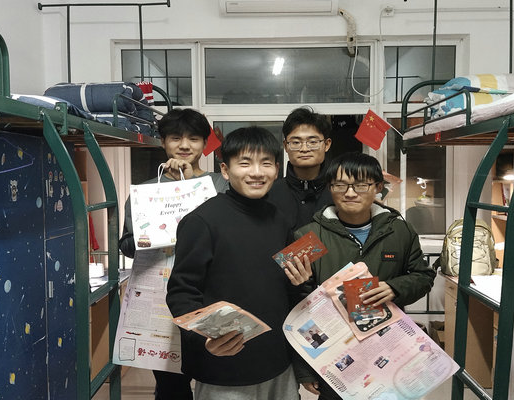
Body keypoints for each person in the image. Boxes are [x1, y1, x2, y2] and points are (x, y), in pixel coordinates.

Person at [166, 126, 312, 400]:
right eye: (245, 163)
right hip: (225, 365)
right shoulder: (202, 221)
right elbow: (181, 293)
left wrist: (299, 281)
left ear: (276, 169)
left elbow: (284, 289)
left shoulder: (279, 219)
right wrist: (203, 339)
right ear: (225, 170)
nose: (256, 172)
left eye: (266, 163)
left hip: (278, 362)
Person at [294, 151, 437, 400]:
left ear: (378, 187)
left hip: (389, 348)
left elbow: (423, 276)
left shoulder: (400, 231)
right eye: (340, 185)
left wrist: (395, 287)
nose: (350, 193)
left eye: (361, 185)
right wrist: (305, 370)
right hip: (335, 354)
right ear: (330, 187)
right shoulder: (309, 237)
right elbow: (299, 305)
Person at [118, 108, 228, 400]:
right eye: (176, 138)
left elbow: (228, 232)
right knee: (171, 386)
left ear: (204, 143)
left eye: (194, 138)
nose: (184, 145)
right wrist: (150, 237)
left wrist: (189, 187)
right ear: (163, 142)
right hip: (161, 297)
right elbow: (127, 245)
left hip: (211, 292)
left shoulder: (220, 184)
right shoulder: (145, 191)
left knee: (216, 377)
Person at [267, 107, 333, 230]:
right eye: (296, 142)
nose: (304, 149)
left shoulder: (340, 193)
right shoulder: (270, 194)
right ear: (286, 146)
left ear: (327, 144)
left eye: (312, 142)